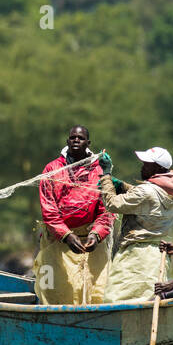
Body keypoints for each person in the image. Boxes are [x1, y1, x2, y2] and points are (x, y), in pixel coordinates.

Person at [34, 126, 115, 304]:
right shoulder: (52, 169)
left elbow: (107, 209)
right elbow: (49, 209)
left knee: (97, 291)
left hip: (91, 242)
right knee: (57, 290)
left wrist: (97, 234)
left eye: (80, 138)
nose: (76, 140)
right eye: (72, 138)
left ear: (88, 143)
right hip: (58, 241)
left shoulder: (99, 171)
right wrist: (67, 236)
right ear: (67, 142)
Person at [96, 146, 173, 303]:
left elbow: (113, 204)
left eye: (147, 164)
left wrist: (106, 175)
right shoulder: (171, 191)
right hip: (156, 256)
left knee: (115, 298)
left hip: (136, 255)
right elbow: (148, 197)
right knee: (147, 300)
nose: (143, 166)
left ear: (158, 168)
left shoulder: (146, 191)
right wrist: (122, 186)